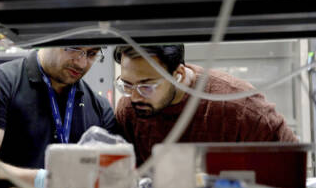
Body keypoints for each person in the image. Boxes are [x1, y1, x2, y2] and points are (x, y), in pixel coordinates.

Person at [114, 44, 298, 166]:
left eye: (147, 86)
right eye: (127, 85)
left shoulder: (239, 106)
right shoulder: (130, 110)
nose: (135, 96)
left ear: (178, 75)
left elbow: (292, 162)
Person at [0, 47, 117, 188]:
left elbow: (114, 184)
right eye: (74, 49)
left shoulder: (100, 107)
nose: (81, 63)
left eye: (92, 53)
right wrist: (45, 182)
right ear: (50, 37)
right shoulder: (1, 82)